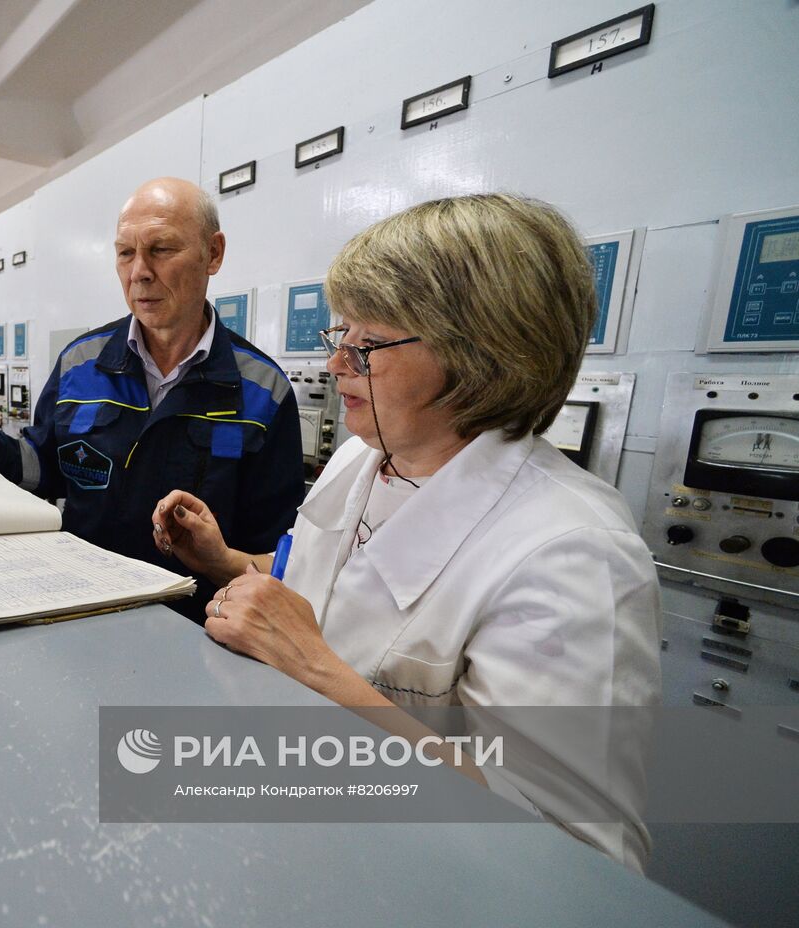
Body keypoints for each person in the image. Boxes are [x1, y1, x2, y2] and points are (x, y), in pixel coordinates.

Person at [151, 193, 662, 868]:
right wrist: (226, 560)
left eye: (368, 345)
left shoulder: (574, 554)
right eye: (341, 335)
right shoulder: (361, 459)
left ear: (483, 357)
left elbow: (576, 857)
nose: (337, 364)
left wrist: (314, 669)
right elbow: (326, 584)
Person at [0, 177, 303, 621]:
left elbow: (277, 556)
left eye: (161, 249)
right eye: (125, 252)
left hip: (194, 629)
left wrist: (222, 567)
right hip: (78, 612)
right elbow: (42, 463)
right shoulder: (80, 364)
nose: (139, 271)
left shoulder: (263, 389)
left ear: (213, 254)